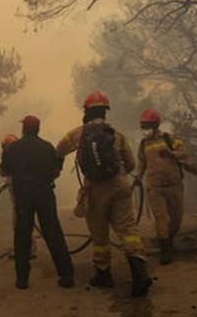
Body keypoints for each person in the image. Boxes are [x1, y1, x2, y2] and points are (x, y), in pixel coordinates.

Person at [56, 91, 152, 297]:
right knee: (128, 230)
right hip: (119, 185)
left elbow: (59, 150)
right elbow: (132, 163)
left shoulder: (78, 133)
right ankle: (139, 274)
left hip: (95, 188)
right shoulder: (116, 135)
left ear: (86, 111)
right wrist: (120, 174)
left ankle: (103, 274)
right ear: (105, 111)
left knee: (99, 234)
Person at [1, 115, 74, 290]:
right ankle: (66, 276)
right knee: (53, 234)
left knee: (22, 237)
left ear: (23, 129)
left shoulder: (12, 149)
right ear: (38, 129)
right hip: (44, 195)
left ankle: (22, 280)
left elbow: (4, 171)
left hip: (23, 197)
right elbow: (55, 172)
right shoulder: (47, 147)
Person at [137, 108, 192, 265]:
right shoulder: (143, 145)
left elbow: (184, 153)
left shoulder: (170, 139)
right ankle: (165, 250)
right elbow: (141, 164)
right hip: (155, 187)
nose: (145, 129)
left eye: (148, 125)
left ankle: (168, 238)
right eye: (143, 126)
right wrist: (137, 178)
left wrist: (171, 154)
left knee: (176, 218)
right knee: (161, 218)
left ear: (156, 125)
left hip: (174, 186)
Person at [0, 134, 37, 260]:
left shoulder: (10, 156)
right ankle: (28, 248)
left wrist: (7, 180)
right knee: (24, 221)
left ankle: (25, 250)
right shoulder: (23, 156)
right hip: (24, 197)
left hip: (20, 200)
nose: (4, 149)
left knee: (20, 223)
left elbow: (5, 171)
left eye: (5, 146)